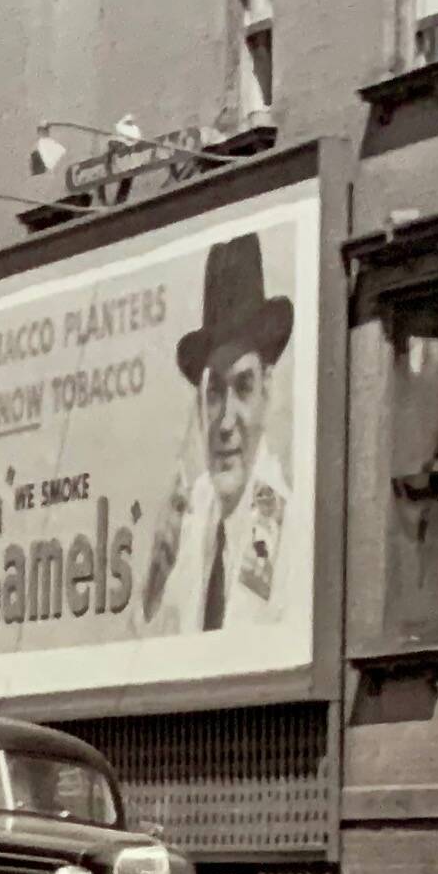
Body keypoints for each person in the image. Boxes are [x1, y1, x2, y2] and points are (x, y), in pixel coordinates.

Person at [141, 233, 298, 635]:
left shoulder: (283, 523)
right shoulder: (195, 517)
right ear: (199, 407)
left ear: (267, 389)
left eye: (243, 388)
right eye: (214, 394)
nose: (227, 421)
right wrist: (153, 583)